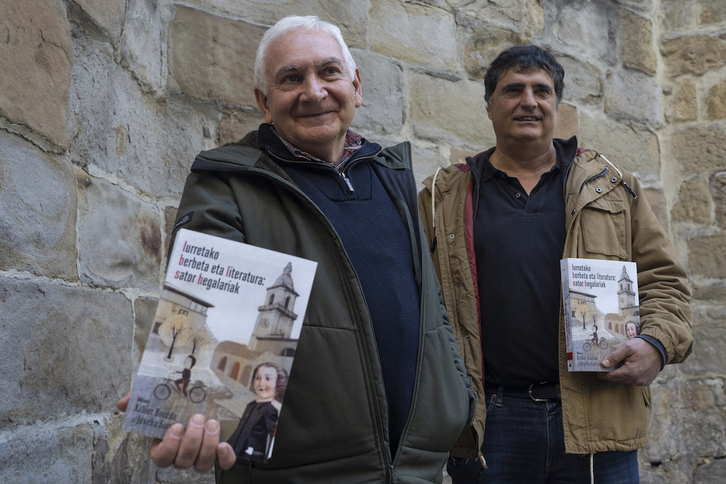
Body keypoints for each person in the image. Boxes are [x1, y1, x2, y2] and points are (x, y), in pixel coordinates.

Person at [118, 15, 475, 483]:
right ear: (264, 102)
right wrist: (187, 414)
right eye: (291, 78)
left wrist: (457, 392)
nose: (313, 91)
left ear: (356, 85)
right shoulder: (228, 183)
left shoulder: (392, 176)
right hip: (297, 474)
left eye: (328, 72)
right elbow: (203, 317)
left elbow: (430, 306)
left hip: (414, 469)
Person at [418, 45, 692, 483]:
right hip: (492, 423)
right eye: (513, 90)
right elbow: (417, 303)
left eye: (541, 91)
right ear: (489, 106)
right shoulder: (442, 197)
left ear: (556, 106)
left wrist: (657, 346)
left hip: (596, 414)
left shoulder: (613, 188)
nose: (529, 101)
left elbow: (665, 281)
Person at [227, 363, 287, 463]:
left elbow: (274, 438)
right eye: (258, 378)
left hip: (251, 456)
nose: (261, 383)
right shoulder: (251, 405)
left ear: (279, 383)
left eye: (268, 379)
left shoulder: (271, 410)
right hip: (235, 449)